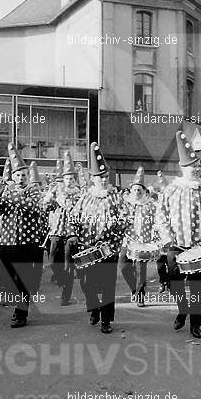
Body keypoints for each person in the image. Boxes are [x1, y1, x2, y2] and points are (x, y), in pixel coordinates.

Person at [157, 131, 201, 339]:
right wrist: (167, 238)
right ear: (182, 168)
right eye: (190, 166)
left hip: (199, 249)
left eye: (196, 165)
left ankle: (195, 324)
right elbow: (161, 216)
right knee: (175, 284)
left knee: (200, 288)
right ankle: (182, 309)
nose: (195, 168)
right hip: (176, 245)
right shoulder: (171, 190)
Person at [0, 143, 45, 328]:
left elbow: (34, 207)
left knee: (22, 277)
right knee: (10, 277)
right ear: (12, 176)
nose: (21, 178)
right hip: (8, 241)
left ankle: (21, 313)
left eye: (24, 174)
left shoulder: (33, 190)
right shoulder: (6, 192)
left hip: (28, 242)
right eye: (17, 175)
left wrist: (10, 195)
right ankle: (22, 301)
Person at [70, 142, 130, 334]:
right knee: (87, 283)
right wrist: (72, 234)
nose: (103, 180)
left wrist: (115, 225)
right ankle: (93, 307)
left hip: (108, 249)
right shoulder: (85, 197)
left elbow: (126, 217)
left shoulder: (116, 196)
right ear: (93, 178)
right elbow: (73, 217)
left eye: (105, 177)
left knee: (107, 286)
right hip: (87, 247)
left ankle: (106, 320)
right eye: (99, 177)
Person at [42, 152, 82, 306]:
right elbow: (46, 206)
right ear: (63, 180)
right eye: (67, 178)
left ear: (74, 180)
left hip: (71, 232)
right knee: (52, 259)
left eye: (72, 178)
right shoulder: (56, 191)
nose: (69, 181)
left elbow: (74, 209)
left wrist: (58, 197)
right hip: (56, 231)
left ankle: (66, 295)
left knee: (68, 263)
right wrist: (49, 194)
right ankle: (62, 280)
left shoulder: (79, 194)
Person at [119, 166, 159, 307]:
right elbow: (119, 220)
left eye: (139, 190)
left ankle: (140, 296)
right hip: (128, 241)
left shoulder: (150, 206)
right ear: (131, 191)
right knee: (123, 267)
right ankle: (134, 289)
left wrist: (155, 237)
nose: (137, 192)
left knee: (141, 271)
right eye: (134, 189)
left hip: (144, 243)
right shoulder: (126, 205)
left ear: (143, 192)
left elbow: (157, 221)